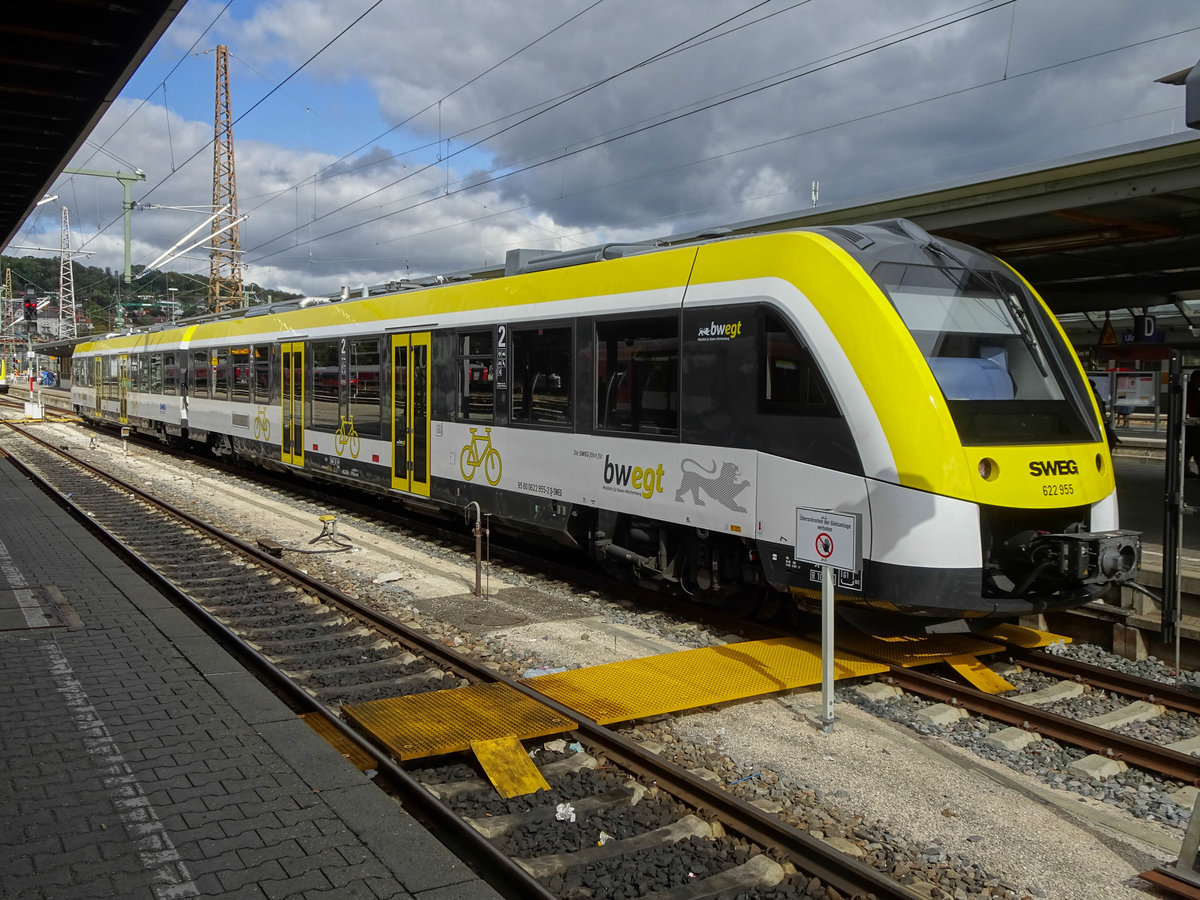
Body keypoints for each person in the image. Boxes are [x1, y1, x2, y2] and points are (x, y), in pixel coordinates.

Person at [1186, 370, 1200, 477]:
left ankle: (1186, 470)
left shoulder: (1188, 389)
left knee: (1190, 449)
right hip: (1193, 424)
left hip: (1190, 424)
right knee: (1196, 448)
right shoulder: (1193, 392)